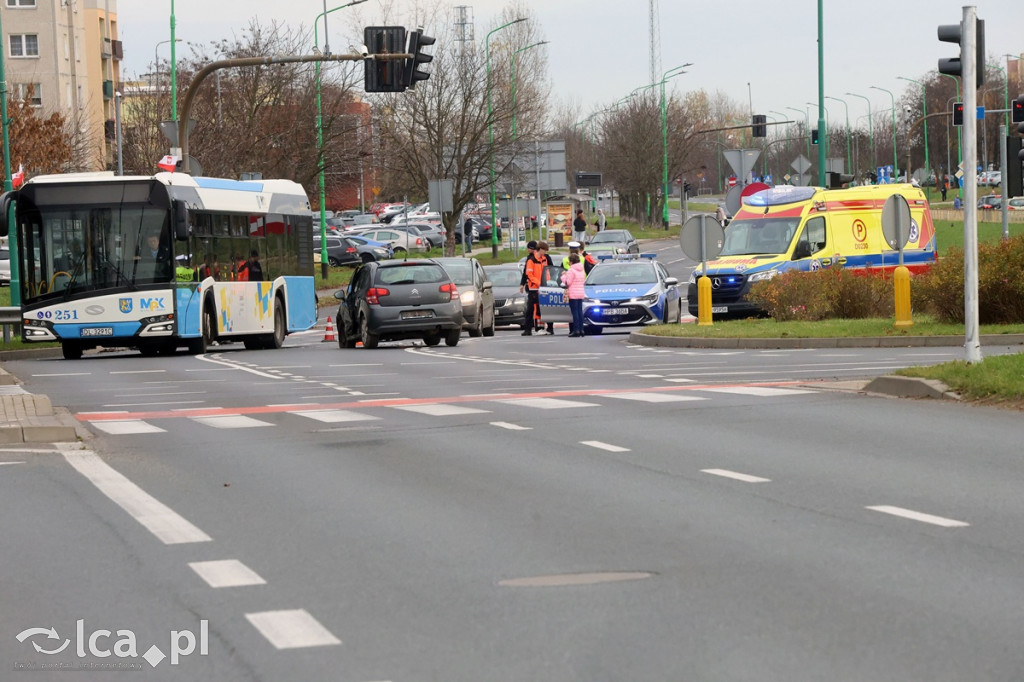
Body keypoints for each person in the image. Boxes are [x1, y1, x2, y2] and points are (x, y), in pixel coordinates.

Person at [520, 240, 554, 335]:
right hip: (534, 288)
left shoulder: (545, 259)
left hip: (545, 287)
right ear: (540, 249)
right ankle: (528, 329)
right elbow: (529, 274)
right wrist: (539, 283)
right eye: (544, 250)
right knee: (530, 309)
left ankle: (550, 328)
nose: (545, 253)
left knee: (547, 308)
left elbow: (550, 270)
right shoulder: (531, 260)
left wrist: (548, 282)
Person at [561, 252, 586, 337]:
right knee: (579, 312)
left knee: (574, 312)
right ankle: (582, 329)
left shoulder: (571, 270)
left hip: (573, 293)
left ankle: (576, 330)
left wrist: (563, 276)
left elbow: (568, 282)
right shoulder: (581, 270)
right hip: (580, 293)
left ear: (571, 261)